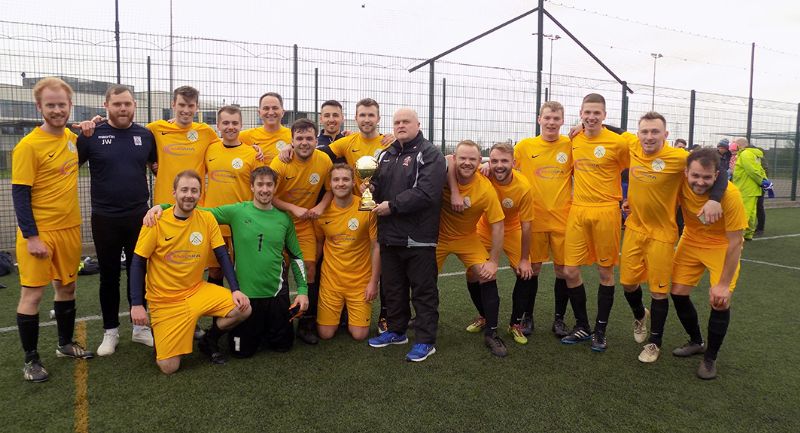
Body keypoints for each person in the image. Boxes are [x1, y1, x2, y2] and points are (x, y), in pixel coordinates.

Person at [145, 166, 309, 360]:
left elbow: (297, 255)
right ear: (252, 187)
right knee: (242, 353)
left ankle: (269, 328)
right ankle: (212, 337)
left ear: (275, 188)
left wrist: (303, 291)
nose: (265, 189)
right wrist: (163, 207)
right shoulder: (237, 212)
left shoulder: (284, 218)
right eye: (260, 184)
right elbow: (200, 210)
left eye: (269, 185)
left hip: (277, 296)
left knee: (283, 346)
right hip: (248, 298)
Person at [620, 112, 725, 363]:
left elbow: (718, 171)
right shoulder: (632, 145)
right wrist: (582, 125)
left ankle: (654, 343)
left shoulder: (679, 158)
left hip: (662, 234)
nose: (649, 136)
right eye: (644, 131)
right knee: (627, 284)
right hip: (634, 228)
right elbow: (610, 130)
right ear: (638, 133)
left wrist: (714, 199)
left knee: (659, 291)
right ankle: (639, 315)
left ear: (665, 135)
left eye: (655, 132)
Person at [129, 170, 251, 374]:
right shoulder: (156, 221)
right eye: (184, 190)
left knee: (244, 308)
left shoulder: (207, 219)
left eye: (194, 190)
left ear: (199, 194)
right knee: (169, 367)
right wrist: (137, 304)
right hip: (165, 300)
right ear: (174, 193)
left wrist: (236, 289)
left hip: (196, 290)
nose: (189, 195)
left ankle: (209, 339)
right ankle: (165, 336)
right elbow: (138, 263)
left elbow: (222, 256)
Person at [12, 77, 93, 382]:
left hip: (70, 229)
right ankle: (31, 360)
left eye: (62, 104)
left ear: (70, 105)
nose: (57, 110)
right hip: (40, 233)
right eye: (51, 105)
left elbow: (78, 151)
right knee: (32, 295)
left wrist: (87, 131)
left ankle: (64, 344)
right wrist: (32, 237)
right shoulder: (28, 146)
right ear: (39, 107)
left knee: (67, 287)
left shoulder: (71, 140)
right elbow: (19, 194)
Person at [75, 84, 157, 356]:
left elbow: (158, 167)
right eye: (118, 104)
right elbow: (66, 165)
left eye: (128, 104)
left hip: (139, 217)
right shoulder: (91, 134)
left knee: (140, 271)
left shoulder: (145, 136)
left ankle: (140, 328)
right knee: (108, 276)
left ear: (134, 106)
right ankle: (110, 331)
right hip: (105, 218)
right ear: (106, 106)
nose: (123, 108)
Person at [366, 108, 446, 362]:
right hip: (389, 235)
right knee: (393, 289)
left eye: (406, 122)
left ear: (417, 124)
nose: (401, 125)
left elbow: (427, 192)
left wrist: (392, 205)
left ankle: (425, 340)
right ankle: (397, 331)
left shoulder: (430, 153)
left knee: (423, 291)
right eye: (397, 122)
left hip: (419, 238)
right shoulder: (387, 153)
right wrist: (371, 187)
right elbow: (379, 185)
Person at [560, 93, 635, 352]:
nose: (591, 117)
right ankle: (583, 326)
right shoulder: (574, 140)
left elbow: (638, 164)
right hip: (578, 211)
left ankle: (600, 331)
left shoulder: (618, 142)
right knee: (569, 270)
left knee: (605, 273)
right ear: (581, 113)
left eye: (597, 113)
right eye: (587, 113)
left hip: (606, 212)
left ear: (604, 115)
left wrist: (632, 198)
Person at [670, 148, 747, 379]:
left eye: (706, 177)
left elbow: (735, 243)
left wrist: (723, 284)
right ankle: (696, 341)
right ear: (686, 173)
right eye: (695, 176)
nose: (700, 182)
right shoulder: (680, 181)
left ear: (716, 176)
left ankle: (710, 358)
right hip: (691, 241)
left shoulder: (730, 195)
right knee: (677, 293)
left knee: (720, 301)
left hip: (720, 246)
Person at [512, 101, 574, 339]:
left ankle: (559, 319)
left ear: (562, 121)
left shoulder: (570, 145)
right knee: (532, 269)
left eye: (556, 118)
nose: (551, 122)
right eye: (547, 118)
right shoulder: (525, 146)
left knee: (563, 271)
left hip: (563, 219)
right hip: (532, 219)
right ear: (539, 119)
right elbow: (505, 168)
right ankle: (527, 316)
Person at [440, 140, 506, 356]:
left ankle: (492, 333)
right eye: (462, 158)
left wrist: (494, 261)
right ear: (454, 158)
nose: (467, 163)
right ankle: (422, 321)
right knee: (421, 278)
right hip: (437, 238)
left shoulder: (485, 188)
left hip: (467, 238)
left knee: (486, 275)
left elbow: (497, 225)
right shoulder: (440, 173)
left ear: (480, 161)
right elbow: (444, 160)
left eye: (472, 159)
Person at [270, 118, 333, 344]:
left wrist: (320, 207)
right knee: (280, 272)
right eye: (299, 138)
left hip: (305, 225)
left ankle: (306, 322)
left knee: (309, 269)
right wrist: (292, 208)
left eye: (309, 138)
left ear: (316, 140)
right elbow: (269, 196)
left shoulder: (324, 160)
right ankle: (281, 320)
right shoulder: (280, 163)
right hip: (279, 224)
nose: (304, 142)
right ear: (292, 141)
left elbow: (329, 190)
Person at [475, 142, 534, 346]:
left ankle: (515, 324)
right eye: (494, 161)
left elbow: (527, 226)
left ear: (514, 163)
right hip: (484, 229)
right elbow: (452, 162)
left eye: (504, 161)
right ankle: (484, 316)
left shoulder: (523, 186)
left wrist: (525, 259)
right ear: (488, 161)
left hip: (512, 229)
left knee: (526, 272)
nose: (499, 165)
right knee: (474, 272)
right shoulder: (482, 174)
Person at [313, 164, 379, 340]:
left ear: (353, 183)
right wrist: (311, 268)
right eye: (336, 179)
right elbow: (319, 242)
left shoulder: (366, 208)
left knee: (359, 335)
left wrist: (374, 282)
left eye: (345, 179)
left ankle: (348, 314)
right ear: (331, 183)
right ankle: (339, 314)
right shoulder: (322, 211)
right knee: (325, 334)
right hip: (331, 280)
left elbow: (377, 246)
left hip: (360, 282)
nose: (340, 183)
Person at [204, 105, 261, 287]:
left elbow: (260, 189)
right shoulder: (209, 148)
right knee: (215, 270)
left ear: (241, 125)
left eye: (235, 123)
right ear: (218, 126)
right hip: (214, 221)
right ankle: (217, 313)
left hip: (242, 223)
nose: (231, 127)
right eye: (226, 123)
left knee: (245, 271)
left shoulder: (252, 153)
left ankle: (247, 313)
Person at [146, 86, 221, 206]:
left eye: (190, 106)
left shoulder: (206, 132)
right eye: (181, 105)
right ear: (173, 105)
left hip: (195, 204)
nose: (186, 110)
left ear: (197, 107)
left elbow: (227, 147)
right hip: (164, 203)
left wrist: (254, 149)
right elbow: (135, 139)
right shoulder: (156, 128)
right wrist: (152, 164)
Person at [731, 137, 768, 241]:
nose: (732, 145)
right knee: (751, 212)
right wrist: (764, 181)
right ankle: (748, 233)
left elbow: (752, 171)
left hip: (746, 188)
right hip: (752, 188)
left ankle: (739, 234)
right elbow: (759, 170)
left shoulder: (745, 154)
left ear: (739, 144)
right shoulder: (752, 154)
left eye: (734, 143)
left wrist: (762, 182)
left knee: (744, 212)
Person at [240, 92, 292, 165]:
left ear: (282, 112)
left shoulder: (293, 136)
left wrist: (292, 146)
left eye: (275, 108)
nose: (270, 112)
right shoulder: (244, 136)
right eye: (266, 108)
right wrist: (248, 150)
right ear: (259, 113)